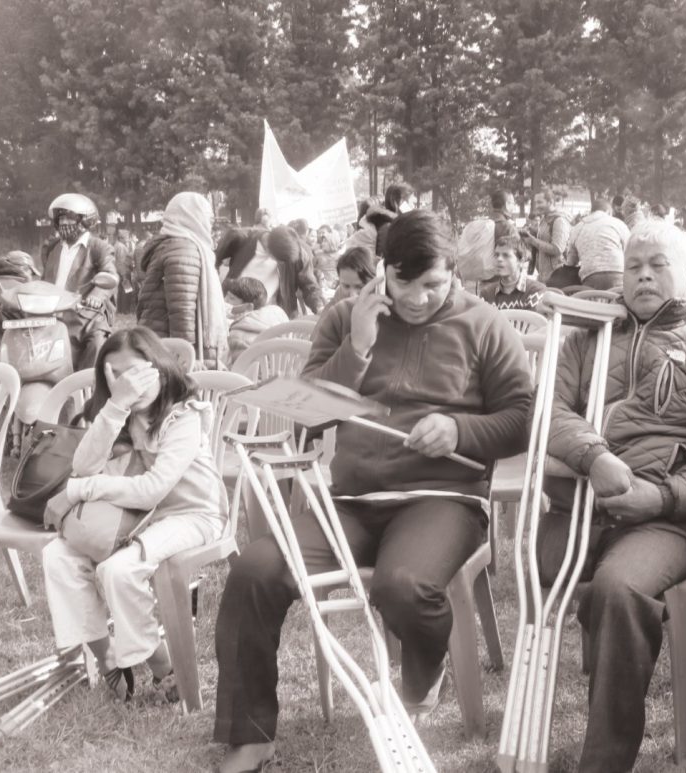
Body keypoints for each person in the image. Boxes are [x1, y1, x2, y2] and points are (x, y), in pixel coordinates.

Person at [212, 210, 533, 773]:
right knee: (253, 572)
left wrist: (462, 430)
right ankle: (251, 732)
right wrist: (357, 347)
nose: (416, 298)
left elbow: (524, 420)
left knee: (405, 585)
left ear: (454, 274)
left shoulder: (484, 324)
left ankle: (422, 668)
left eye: (433, 284)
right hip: (353, 499)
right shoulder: (344, 317)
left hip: (445, 496)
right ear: (384, 269)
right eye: (403, 283)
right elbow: (306, 415)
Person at [537, 220, 686, 773]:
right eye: (634, 264)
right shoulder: (585, 337)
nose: (642, 275)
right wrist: (595, 457)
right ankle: (609, 653)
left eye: (658, 265)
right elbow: (547, 413)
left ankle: (604, 762)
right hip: (580, 504)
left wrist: (659, 498)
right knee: (567, 582)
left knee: (618, 589)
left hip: (670, 518)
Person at [41, 327, 228, 702]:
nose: (128, 383)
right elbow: (83, 464)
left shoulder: (184, 416)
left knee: (118, 570)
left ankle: (161, 666)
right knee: (57, 556)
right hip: (138, 516)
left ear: (158, 367)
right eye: (116, 376)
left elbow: (154, 488)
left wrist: (86, 490)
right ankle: (107, 658)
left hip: (192, 515)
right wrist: (115, 406)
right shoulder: (121, 413)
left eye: (135, 372)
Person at [135, 192, 230, 368]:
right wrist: (187, 357)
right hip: (171, 350)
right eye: (208, 218)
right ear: (192, 216)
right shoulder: (183, 249)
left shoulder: (172, 245)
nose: (210, 224)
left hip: (158, 340)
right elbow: (182, 310)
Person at [38, 193, 118, 369]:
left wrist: (97, 295)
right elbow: (44, 279)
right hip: (53, 315)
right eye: (61, 219)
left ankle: (88, 388)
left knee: (97, 343)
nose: (64, 223)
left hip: (86, 316)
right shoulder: (52, 248)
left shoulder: (99, 247)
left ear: (86, 220)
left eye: (70, 218)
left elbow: (110, 274)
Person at [215, 224, 324, 317]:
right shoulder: (241, 238)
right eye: (279, 261)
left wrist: (319, 307)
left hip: (273, 315)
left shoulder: (297, 254)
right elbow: (213, 263)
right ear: (268, 250)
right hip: (234, 310)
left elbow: (309, 286)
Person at [565, 198, 631, 291]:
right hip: (618, 273)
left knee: (594, 303)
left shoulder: (577, 228)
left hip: (590, 276)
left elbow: (571, 262)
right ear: (608, 211)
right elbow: (630, 250)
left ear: (592, 211)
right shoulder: (618, 223)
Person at [223, 277, 290, 365]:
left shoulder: (236, 336)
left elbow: (236, 367)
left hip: (248, 375)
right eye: (226, 296)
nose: (225, 301)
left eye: (231, 298)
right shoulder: (277, 315)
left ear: (248, 307)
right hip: (282, 371)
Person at [344, 183, 415, 259]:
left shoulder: (393, 224)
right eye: (411, 203)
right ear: (400, 202)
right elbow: (382, 262)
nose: (413, 207)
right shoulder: (388, 227)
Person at [478, 236, 547, 310]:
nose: (499, 259)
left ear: (521, 261)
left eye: (506, 255)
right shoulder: (486, 294)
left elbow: (533, 320)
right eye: (496, 255)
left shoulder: (535, 291)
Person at [520, 188, 570, 282]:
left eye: (540, 202)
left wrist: (533, 241)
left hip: (557, 275)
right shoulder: (545, 219)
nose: (537, 206)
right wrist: (529, 235)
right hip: (545, 275)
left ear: (550, 202)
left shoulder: (559, 221)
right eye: (535, 202)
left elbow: (557, 249)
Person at [323, 246, 375, 311]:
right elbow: (325, 317)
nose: (352, 295)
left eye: (360, 287)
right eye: (346, 286)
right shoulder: (339, 293)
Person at [113, 229, 135, 315]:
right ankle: (125, 309)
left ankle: (120, 309)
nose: (128, 239)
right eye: (126, 237)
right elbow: (122, 261)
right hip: (124, 272)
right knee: (127, 290)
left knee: (121, 290)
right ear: (121, 238)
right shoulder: (121, 247)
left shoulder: (117, 245)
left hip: (119, 271)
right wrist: (124, 274)